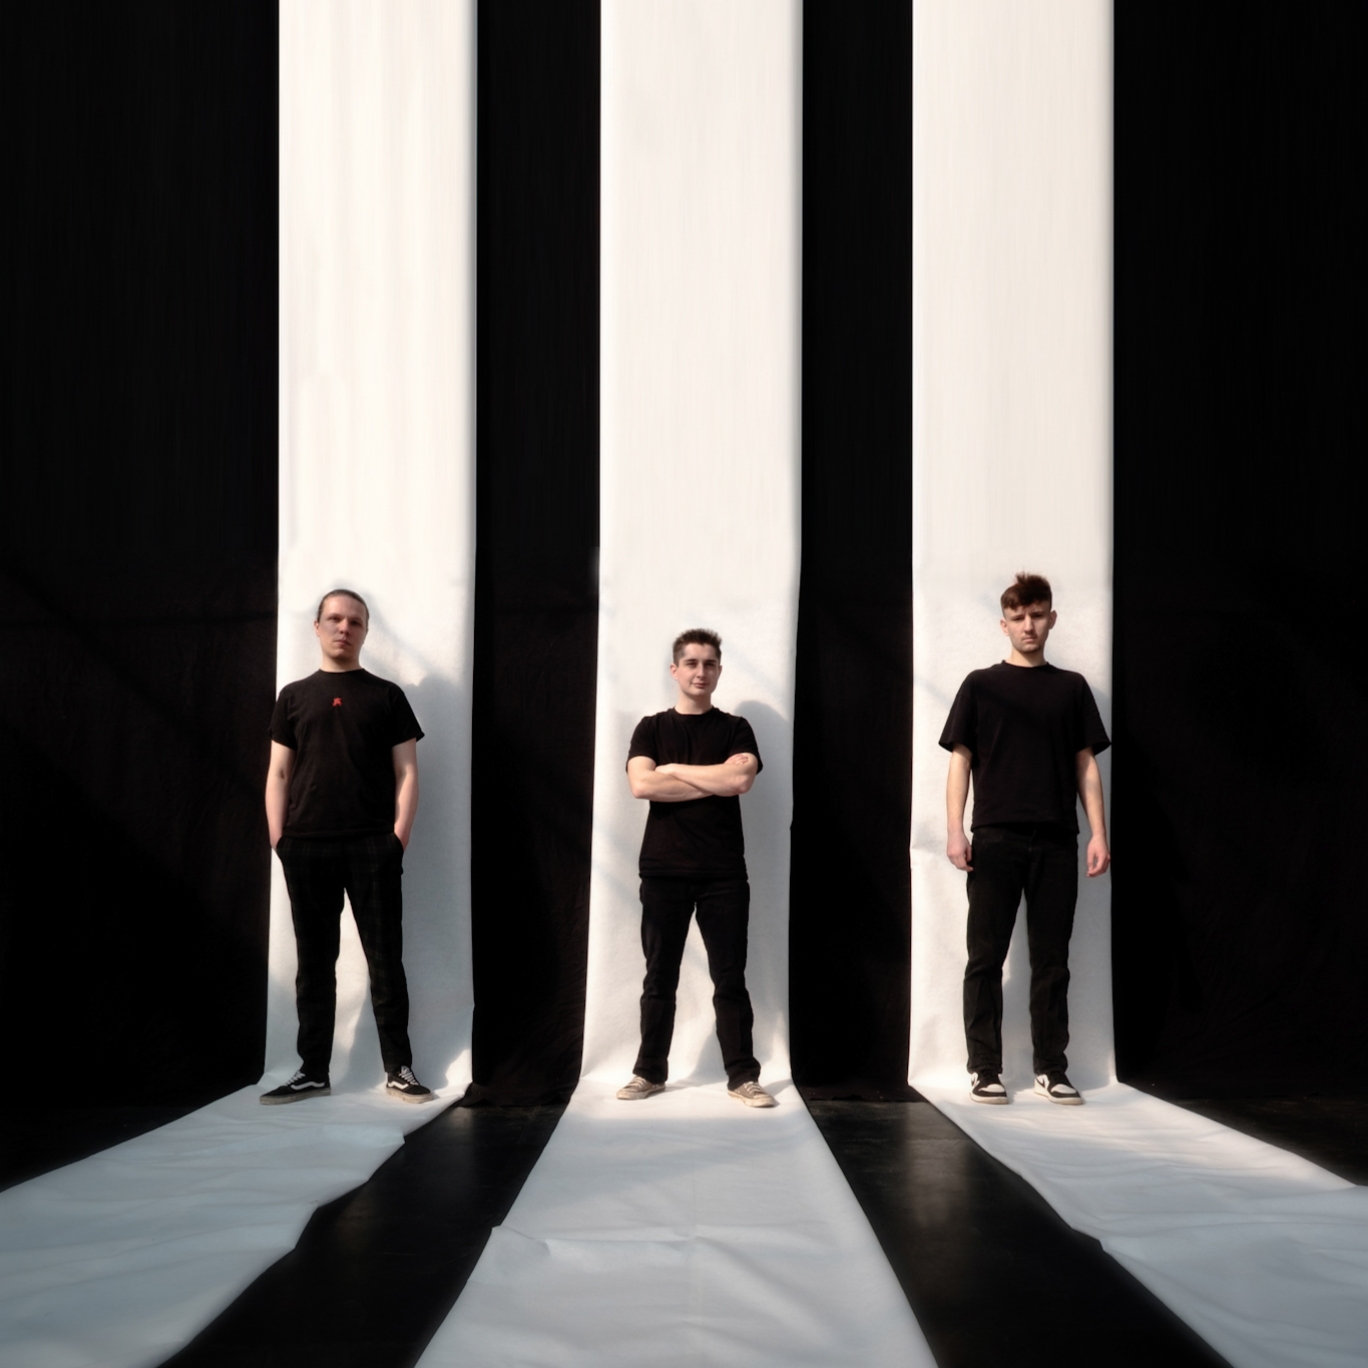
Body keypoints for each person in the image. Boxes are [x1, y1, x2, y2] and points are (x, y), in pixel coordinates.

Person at [940, 572, 1110, 1106]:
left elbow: (1086, 765)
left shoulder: (1071, 688)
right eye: (1018, 617)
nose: (1028, 625)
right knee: (985, 958)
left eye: (1037, 615)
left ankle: (1051, 1068)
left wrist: (1099, 833)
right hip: (994, 837)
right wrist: (954, 829)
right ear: (1004, 624)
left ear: (1052, 618)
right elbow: (960, 761)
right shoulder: (980, 685)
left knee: (1052, 960)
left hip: (1057, 839)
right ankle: (984, 1068)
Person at [260, 589, 433, 1105]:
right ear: (317, 627)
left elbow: (407, 772)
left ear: (365, 631)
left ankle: (398, 1068)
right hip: (305, 847)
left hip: (372, 847)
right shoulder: (293, 696)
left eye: (354, 621)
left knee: (385, 961)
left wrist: (397, 839)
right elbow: (278, 773)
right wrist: (279, 840)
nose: (344, 628)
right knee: (314, 965)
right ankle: (313, 1070)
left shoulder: (386, 696)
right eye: (334, 619)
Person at [616, 629, 776, 1108]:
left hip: (723, 873)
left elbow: (741, 780)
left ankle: (742, 1076)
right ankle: (649, 1072)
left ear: (719, 670)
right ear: (675, 670)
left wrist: (673, 770)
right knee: (658, 977)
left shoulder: (736, 729)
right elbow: (642, 786)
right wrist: (715, 779)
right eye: (691, 663)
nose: (700, 672)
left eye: (709, 664)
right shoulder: (651, 728)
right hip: (662, 870)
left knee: (730, 977)